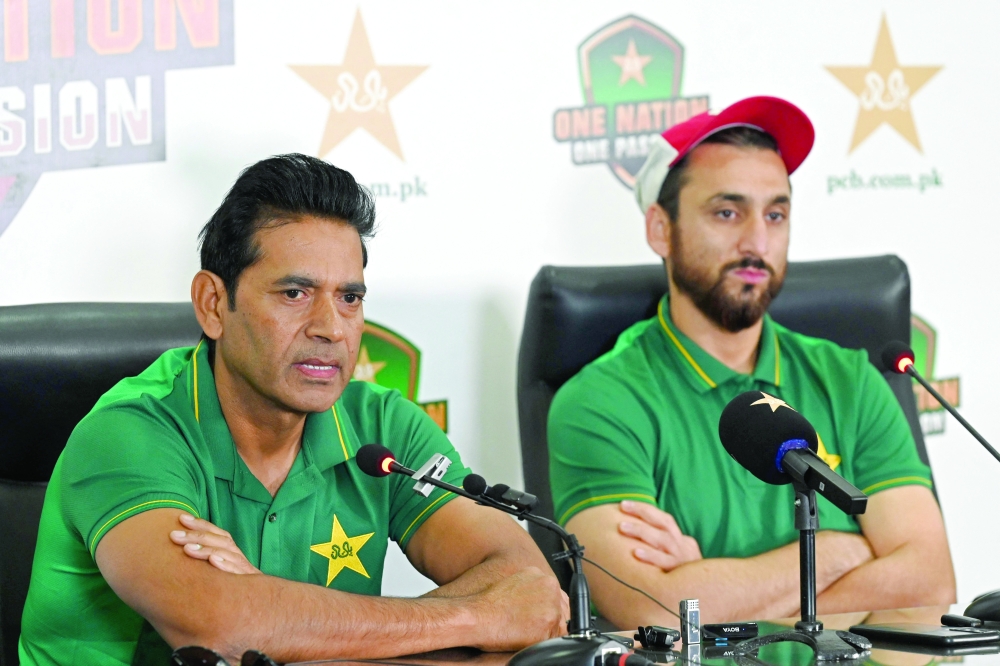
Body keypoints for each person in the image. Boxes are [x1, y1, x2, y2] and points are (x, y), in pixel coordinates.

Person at [19, 155, 568, 666]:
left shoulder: (383, 427)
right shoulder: (128, 432)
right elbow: (219, 624)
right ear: (214, 304)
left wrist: (266, 605)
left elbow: (529, 587)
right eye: (295, 294)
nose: (331, 327)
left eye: (349, 298)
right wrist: (473, 616)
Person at [546, 97, 956, 628]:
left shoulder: (850, 380)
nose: (757, 242)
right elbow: (649, 609)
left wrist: (711, 586)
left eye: (776, 214)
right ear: (660, 230)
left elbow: (931, 581)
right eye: (727, 212)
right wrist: (842, 549)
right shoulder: (599, 400)